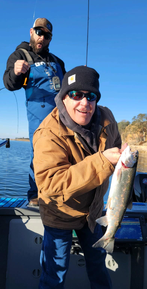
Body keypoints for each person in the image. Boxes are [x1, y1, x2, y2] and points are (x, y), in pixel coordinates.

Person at [33, 65, 125, 288]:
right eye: (76, 95)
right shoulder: (48, 133)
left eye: (91, 96)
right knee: (54, 276)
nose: (85, 103)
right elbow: (51, 183)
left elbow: (117, 147)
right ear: (64, 98)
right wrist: (103, 161)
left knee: (98, 268)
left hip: (93, 213)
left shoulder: (107, 117)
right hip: (60, 214)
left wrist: (123, 160)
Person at [3, 18, 66, 205]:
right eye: (39, 33)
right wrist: (16, 72)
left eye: (47, 36)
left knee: (64, 155)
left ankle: (62, 193)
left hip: (63, 117)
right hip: (38, 116)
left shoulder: (58, 61)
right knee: (39, 154)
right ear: (31, 32)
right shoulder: (19, 55)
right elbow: (9, 84)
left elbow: (69, 88)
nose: (42, 38)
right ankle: (35, 194)